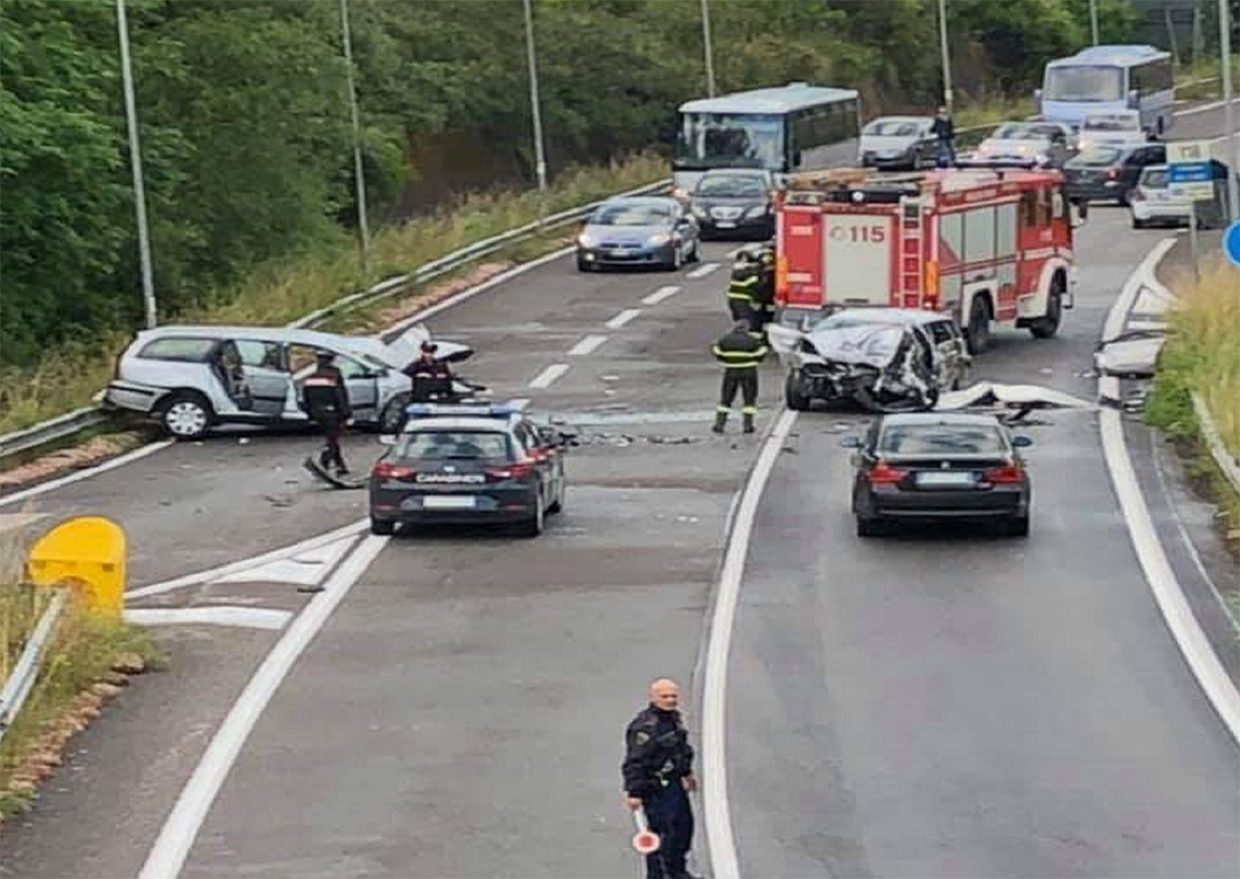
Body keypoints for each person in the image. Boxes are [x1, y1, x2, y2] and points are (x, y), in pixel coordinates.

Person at [622, 678, 700, 879]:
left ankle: (677, 871)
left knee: (683, 828)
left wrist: (687, 773)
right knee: (662, 834)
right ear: (653, 697)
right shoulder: (645, 728)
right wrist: (634, 792)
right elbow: (635, 761)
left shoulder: (673, 719)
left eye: (673, 696)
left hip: (674, 784)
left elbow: (680, 750)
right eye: (664, 696)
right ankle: (658, 875)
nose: (670, 700)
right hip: (654, 788)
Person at [712, 319, 769, 434]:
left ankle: (719, 425)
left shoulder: (725, 339)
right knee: (749, 399)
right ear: (746, 328)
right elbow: (762, 352)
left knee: (726, 398)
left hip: (731, 371)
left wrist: (726, 360)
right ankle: (748, 426)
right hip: (749, 371)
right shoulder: (752, 340)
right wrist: (755, 360)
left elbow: (716, 351)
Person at [300, 350, 352, 475]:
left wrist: (310, 413)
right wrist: (346, 413)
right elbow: (340, 396)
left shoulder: (311, 377)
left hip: (317, 412)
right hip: (331, 412)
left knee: (331, 438)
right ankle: (324, 463)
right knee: (332, 439)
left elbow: (305, 398)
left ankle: (340, 465)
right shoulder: (334, 375)